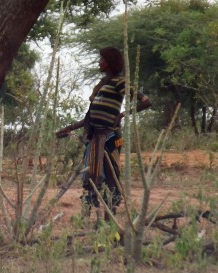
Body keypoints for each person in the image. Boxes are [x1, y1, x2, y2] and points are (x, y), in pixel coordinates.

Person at [55, 47, 151, 221]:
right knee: (90, 177)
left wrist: (122, 114)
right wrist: (70, 128)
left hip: (110, 137)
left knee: (110, 176)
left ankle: (109, 219)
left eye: (102, 59)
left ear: (110, 62)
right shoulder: (102, 85)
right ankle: (86, 219)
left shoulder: (120, 82)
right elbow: (90, 116)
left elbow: (145, 101)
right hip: (94, 137)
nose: (99, 62)